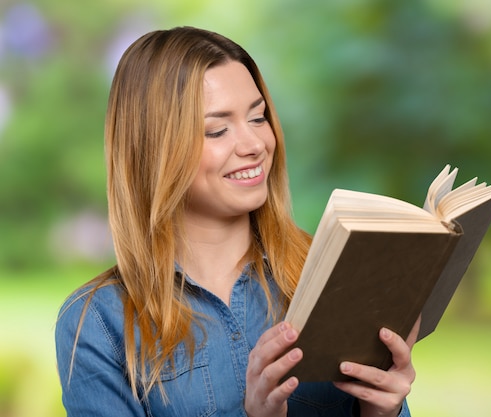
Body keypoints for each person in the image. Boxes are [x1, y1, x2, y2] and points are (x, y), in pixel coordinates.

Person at [55, 26, 418, 417]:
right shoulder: (98, 324)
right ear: (154, 149)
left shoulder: (333, 274)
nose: (254, 145)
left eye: (258, 118)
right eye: (217, 129)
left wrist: (382, 411)